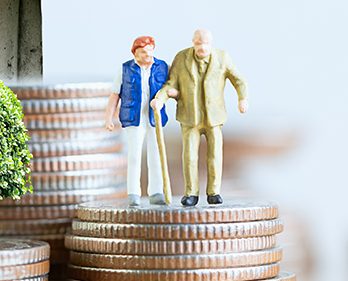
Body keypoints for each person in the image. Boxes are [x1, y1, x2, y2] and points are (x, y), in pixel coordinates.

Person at [152, 29, 248, 206]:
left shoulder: (222, 57)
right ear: (193, 42)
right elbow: (171, 83)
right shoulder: (181, 58)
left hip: (214, 118)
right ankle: (191, 193)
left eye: (205, 43)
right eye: (198, 43)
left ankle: (214, 192)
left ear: (210, 43)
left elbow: (239, 79)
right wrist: (160, 98)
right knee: (189, 156)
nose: (202, 47)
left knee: (215, 155)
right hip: (190, 118)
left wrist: (242, 98)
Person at [105, 36, 170, 206]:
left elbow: (172, 88)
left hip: (155, 118)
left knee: (156, 156)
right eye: (143, 52)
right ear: (135, 53)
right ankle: (133, 194)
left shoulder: (163, 67)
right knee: (134, 156)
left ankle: (156, 192)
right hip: (134, 118)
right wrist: (109, 117)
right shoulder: (125, 68)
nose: (148, 55)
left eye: (150, 51)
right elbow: (114, 95)